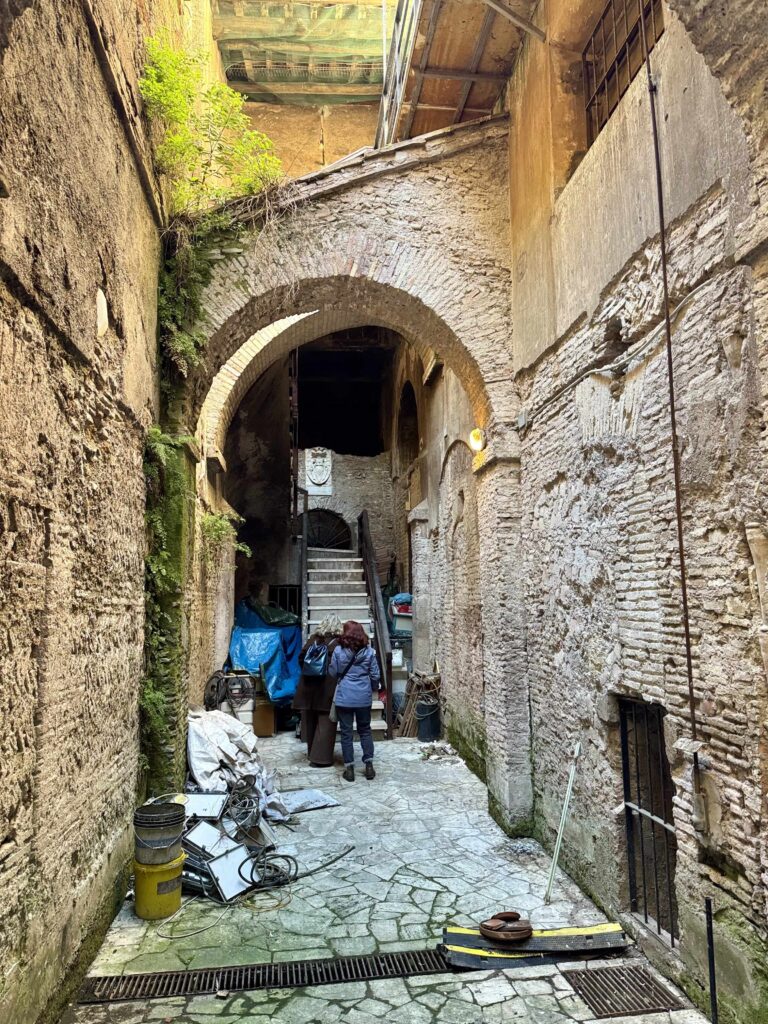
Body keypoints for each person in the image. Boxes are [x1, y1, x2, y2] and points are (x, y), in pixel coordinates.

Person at [329, 620, 381, 782]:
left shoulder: (338, 651)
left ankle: (349, 769)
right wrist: (372, 687)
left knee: (346, 733)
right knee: (365, 730)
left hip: (345, 697)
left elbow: (333, 672)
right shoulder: (369, 652)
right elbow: (375, 675)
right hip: (363, 698)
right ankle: (369, 766)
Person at [293, 614, 343, 768]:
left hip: (308, 687)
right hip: (327, 687)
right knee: (326, 722)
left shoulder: (313, 639)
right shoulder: (338, 644)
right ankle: (321, 758)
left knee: (310, 720)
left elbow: (301, 658)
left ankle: (311, 753)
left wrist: (310, 672)